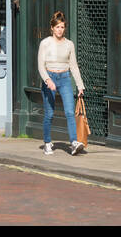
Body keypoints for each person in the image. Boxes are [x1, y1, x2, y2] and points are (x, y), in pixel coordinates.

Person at [37, 11, 86, 155]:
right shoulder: (45, 43)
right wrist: (47, 80)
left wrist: (80, 85)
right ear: (52, 28)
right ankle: (47, 142)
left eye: (62, 27)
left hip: (64, 78)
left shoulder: (69, 44)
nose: (60, 30)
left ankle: (74, 142)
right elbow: (41, 65)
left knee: (70, 112)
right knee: (50, 114)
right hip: (49, 78)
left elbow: (74, 66)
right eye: (57, 27)